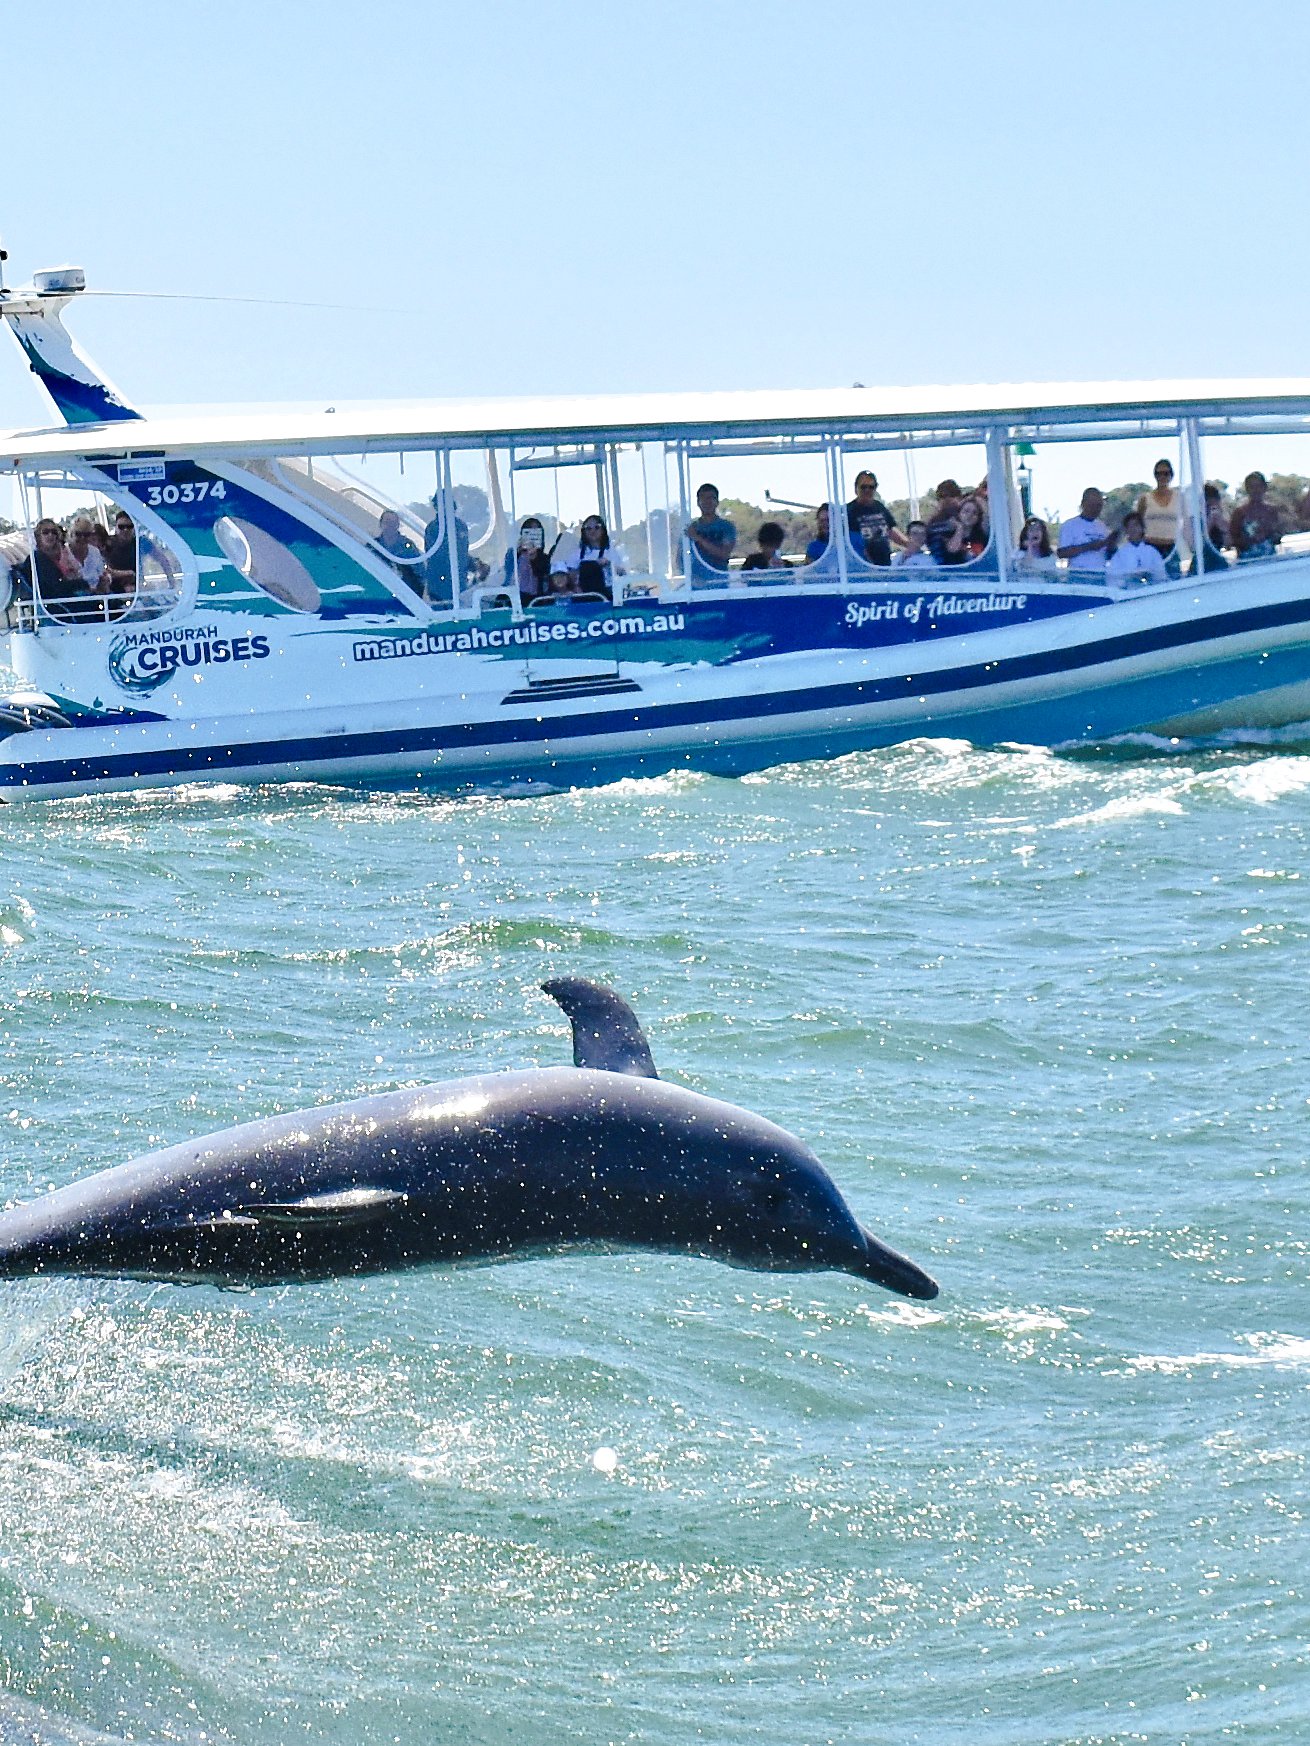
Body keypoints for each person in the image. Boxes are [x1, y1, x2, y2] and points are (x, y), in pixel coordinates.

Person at [423, 490, 471, 605]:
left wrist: (473, 564)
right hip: (439, 582)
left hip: (460, 580)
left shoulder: (460, 526)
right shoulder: (433, 529)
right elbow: (434, 556)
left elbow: (462, 553)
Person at [846, 471, 904, 556]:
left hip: (884, 563)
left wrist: (910, 545)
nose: (867, 490)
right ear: (856, 488)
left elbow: (891, 530)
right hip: (862, 564)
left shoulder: (879, 507)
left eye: (871, 487)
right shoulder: (848, 511)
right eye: (863, 487)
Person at [684, 483, 736, 578]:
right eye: (703, 498)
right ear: (698, 502)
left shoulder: (727, 527)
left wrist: (698, 538)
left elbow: (724, 553)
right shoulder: (692, 528)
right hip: (696, 586)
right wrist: (692, 578)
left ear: (717, 502)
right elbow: (681, 558)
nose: (707, 502)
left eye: (711, 498)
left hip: (719, 583)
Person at [1057, 488, 1113, 575]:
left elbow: (1108, 555)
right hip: (1078, 576)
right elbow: (1062, 553)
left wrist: (1111, 546)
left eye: (1099, 505)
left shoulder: (1102, 527)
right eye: (1092, 505)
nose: (1096, 509)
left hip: (1100, 575)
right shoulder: (1069, 525)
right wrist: (1089, 547)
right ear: (1083, 504)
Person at [569, 515, 627, 599]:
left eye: (597, 527)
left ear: (603, 530)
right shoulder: (577, 553)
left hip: (609, 595)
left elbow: (623, 573)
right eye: (588, 528)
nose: (593, 531)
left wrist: (609, 564)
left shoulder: (612, 550)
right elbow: (571, 577)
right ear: (583, 531)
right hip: (585, 596)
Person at [1136, 459, 1183, 559]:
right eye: (1158, 473)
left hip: (1172, 547)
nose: (1162, 477)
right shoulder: (1145, 498)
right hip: (1150, 546)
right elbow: (1137, 524)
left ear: (1171, 475)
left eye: (1165, 473)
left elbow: (1186, 524)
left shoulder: (1179, 498)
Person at [1230, 471, 1282, 561]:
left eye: (1259, 486)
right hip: (1247, 561)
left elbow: (1278, 537)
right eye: (1252, 487)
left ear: (1264, 487)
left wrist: (1268, 534)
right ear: (1247, 489)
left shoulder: (1272, 511)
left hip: (1270, 559)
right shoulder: (1239, 513)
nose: (1256, 490)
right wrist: (1249, 540)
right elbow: (1232, 540)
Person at [1106, 511, 1168, 585]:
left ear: (1142, 528)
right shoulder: (1120, 554)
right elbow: (1112, 578)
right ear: (1126, 530)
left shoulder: (1152, 552)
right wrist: (1129, 578)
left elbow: (1161, 575)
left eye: (1136, 525)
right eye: (1129, 526)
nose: (1133, 529)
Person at [505, 516, 550, 602]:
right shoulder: (513, 553)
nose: (532, 536)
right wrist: (518, 550)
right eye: (528, 531)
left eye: (536, 532)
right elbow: (508, 570)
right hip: (514, 597)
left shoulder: (544, 558)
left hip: (536, 600)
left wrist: (534, 557)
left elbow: (543, 575)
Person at [376, 509, 423, 592]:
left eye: (393, 523)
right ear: (380, 524)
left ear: (398, 525)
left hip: (405, 594)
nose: (390, 526)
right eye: (387, 522)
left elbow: (420, 573)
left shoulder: (408, 547)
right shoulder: (373, 546)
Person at [103, 509, 139, 600]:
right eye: (121, 526)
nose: (125, 530)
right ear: (115, 527)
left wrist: (172, 583)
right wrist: (128, 573)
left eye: (129, 526)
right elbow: (103, 568)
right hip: (114, 591)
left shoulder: (140, 543)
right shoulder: (108, 543)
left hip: (138, 589)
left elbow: (162, 560)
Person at [925, 480, 964, 563]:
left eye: (951, 495)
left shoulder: (964, 518)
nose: (947, 499)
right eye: (942, 496)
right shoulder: (932, 523)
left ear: (959, 497)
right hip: (938, 565)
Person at [941, 495, 987, 564]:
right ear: (959, 513)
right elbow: (952, 550)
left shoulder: (982, 537)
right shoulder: (947, 534)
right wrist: (960, 528)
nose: (969, 515)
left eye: (974, 513)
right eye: (966, 511)